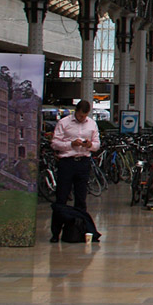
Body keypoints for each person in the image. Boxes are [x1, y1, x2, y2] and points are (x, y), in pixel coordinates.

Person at [48, 100, 100, 242]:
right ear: (76, 111)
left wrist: (90, 145)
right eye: (80, 115)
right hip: (67, 162)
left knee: (81, 198)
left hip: (83, 162)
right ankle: (55, 232)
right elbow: (55, 143)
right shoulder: (64, 123)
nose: (82, 118)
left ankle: (79, 230)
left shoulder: (92, 124)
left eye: (84, 116)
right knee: (61, 197)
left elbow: (97, 144)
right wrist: (70, 144)